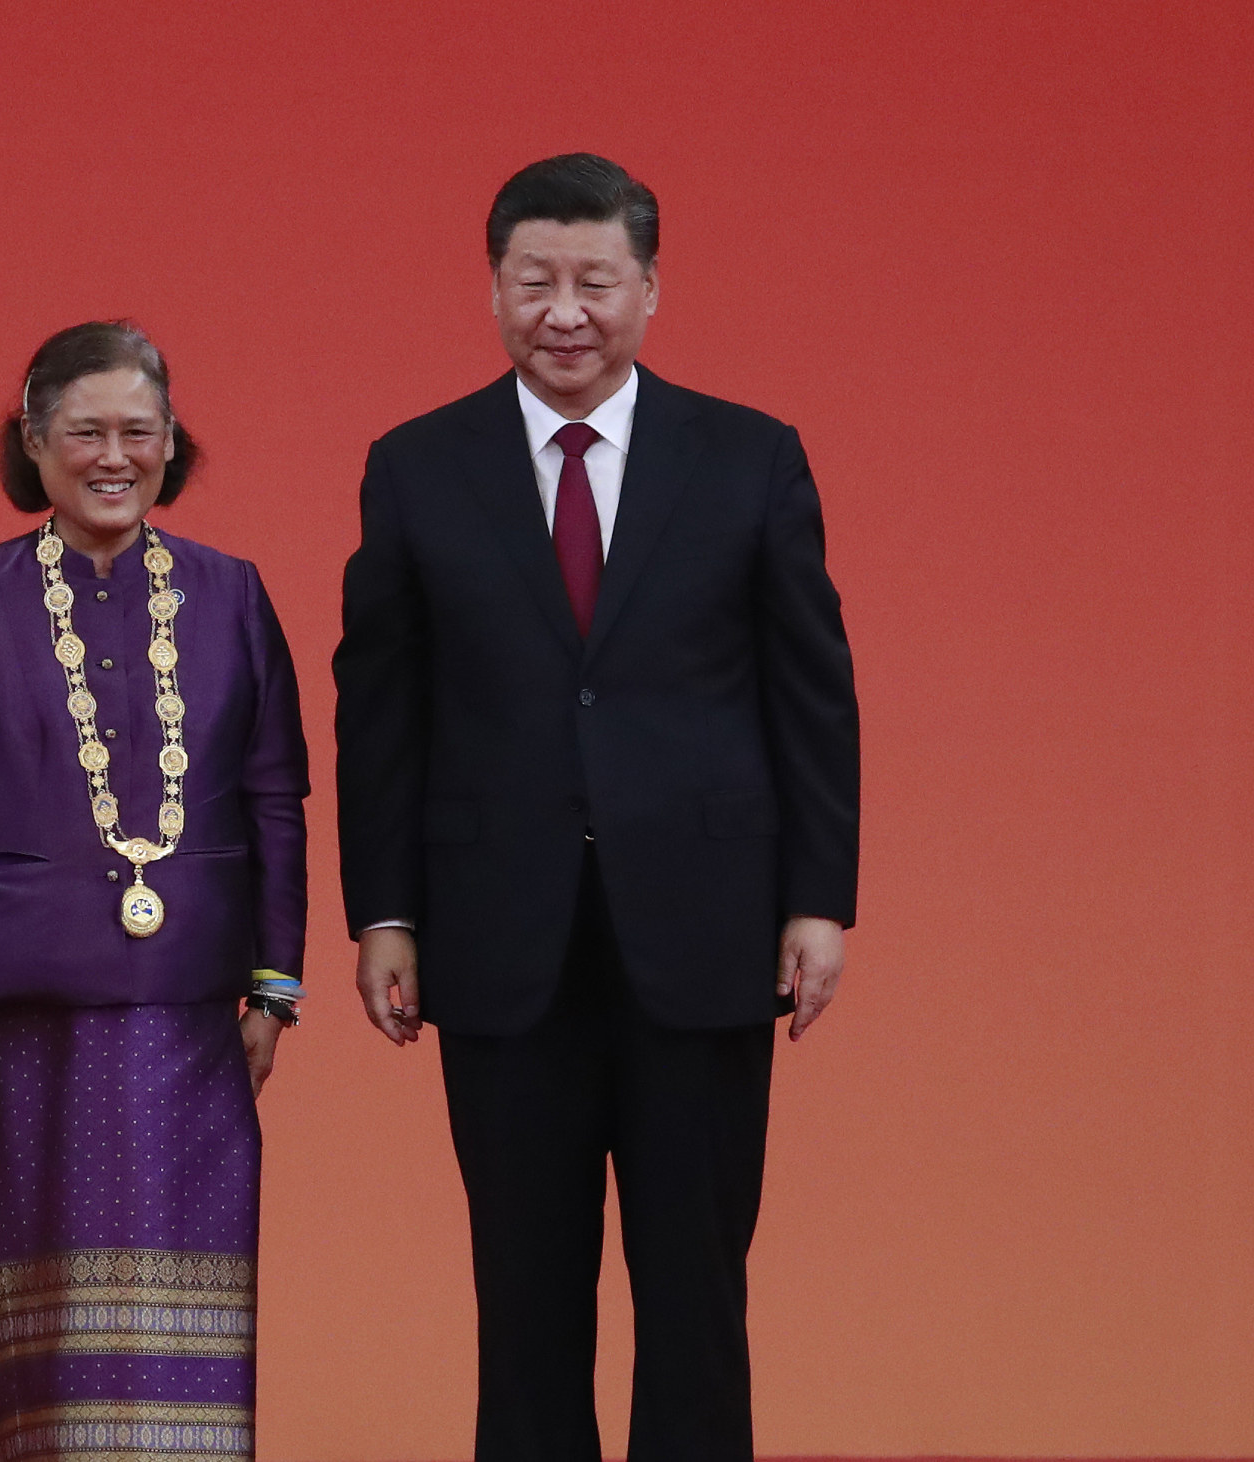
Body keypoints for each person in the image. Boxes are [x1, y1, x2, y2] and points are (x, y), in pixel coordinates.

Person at [333, 154, 859, 1461]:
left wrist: (816, 900)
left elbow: (809, 693)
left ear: (649, 289)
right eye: (534, 282)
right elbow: (380, 709)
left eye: (594, 282)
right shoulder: (416, 466)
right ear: (492, 289)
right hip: (498, 939)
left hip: (703, 930)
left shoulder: (748, 458)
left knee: (695, 1297)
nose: (563, 313)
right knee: (521, 1302)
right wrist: (384, 911)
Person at [0, 320, 307, 1461]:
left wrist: (275, 989)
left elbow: (275, 801)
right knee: (40, 1333)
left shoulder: (231, 592)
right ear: (33, 441)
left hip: (186, 1017)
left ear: (171, 441)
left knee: (185, 1322)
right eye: (86, 432)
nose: (115, 457)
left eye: (139, 431)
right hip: (12, 1024)